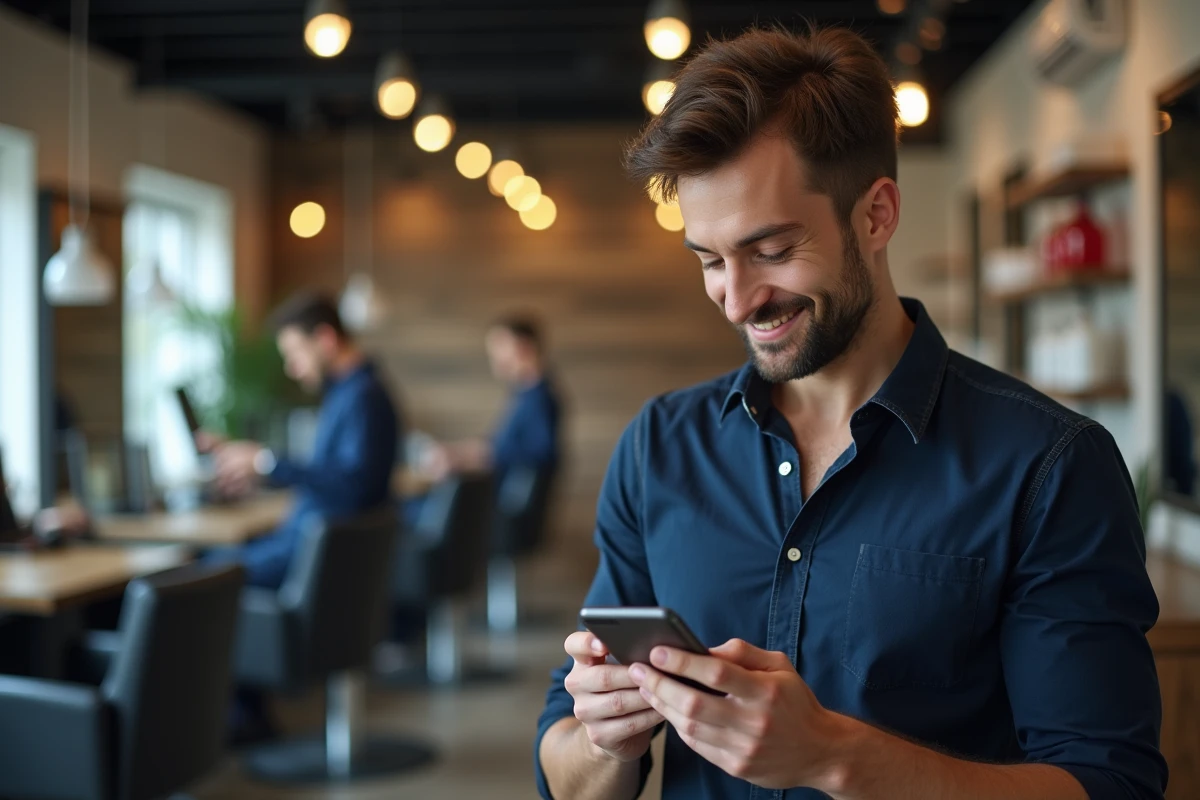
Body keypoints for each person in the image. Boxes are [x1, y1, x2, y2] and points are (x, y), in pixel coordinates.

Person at [536, 26, 1165, 800]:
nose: (736, 300)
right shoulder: (659, 449)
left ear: (876, 215)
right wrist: (607, 741)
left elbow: (1109, 784)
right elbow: (565, 773)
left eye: (771, 250)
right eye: (710, 260)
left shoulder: (1048, 467)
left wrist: (833, 756)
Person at [206, 292, 401, 589]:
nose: (292, 368)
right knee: (205, 560)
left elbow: (355, 486)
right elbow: (332, 475)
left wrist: (266, 462)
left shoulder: (362, 397)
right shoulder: (348, 394)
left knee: (198, 574)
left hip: (314, 557)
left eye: (295, 353)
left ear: (325, 339)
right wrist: (260, 472)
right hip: (307, 548)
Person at [420, 315, 560, 487]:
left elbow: (538, 455)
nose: (494, 357)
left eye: (500, 347)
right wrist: (463, 452)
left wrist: (469, 458)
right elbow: (503, 444)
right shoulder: (526, 396)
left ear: (525, 348)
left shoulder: (538, 399)